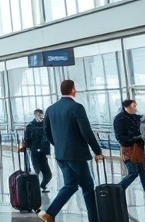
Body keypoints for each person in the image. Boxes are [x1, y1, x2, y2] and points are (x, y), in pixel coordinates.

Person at [38, 80, 103, 222]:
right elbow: (86, 131)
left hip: (61, 154)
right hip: (76, 154)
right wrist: (97, 150)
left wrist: (58, 145)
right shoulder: (76, 107)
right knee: (87, 186)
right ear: (73, 89)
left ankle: (50, 214)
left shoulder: (51, 109)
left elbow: (46, 131)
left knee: (71, 185)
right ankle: (94, 219)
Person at [113, 99, 145, 207]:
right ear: (126, 106)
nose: (135, 108)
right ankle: (116, 190)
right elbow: (121, 137)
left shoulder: (137, 118)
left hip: (139, 149)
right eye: (133, 106)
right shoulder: (119, 119)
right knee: (134, 172)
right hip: (129, 150)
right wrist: (137, 138)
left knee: (143, 174)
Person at [18, 109, 52, 192]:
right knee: (36, 170)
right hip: (34, 151)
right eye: (38, 115)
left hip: (42, 152)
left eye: (41, 115)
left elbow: (49, 137)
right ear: (35, 115)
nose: (40, 116)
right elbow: (27, 139)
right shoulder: (30, 126)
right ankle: (36, 187)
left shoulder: (46, 124)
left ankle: (42, 185)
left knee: (47, 173)